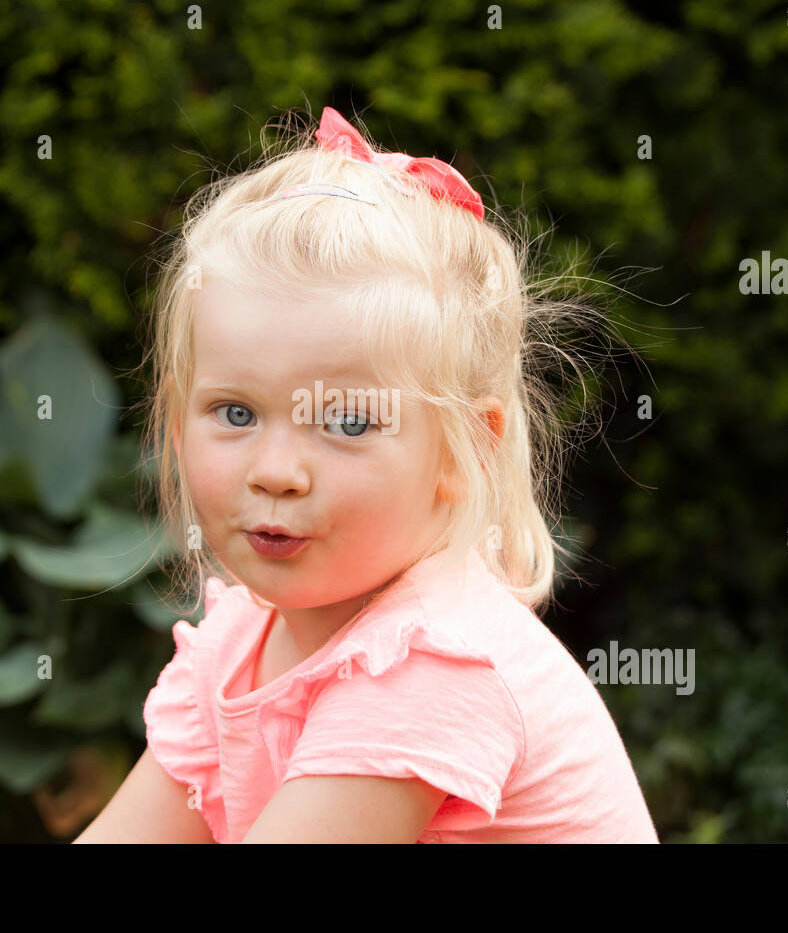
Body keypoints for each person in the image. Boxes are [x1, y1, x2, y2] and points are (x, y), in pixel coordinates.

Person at [75, 106, 658, 843]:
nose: (277, 472)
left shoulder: (430, 666)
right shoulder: (238, 644)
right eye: (235, 412)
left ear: (463, 450)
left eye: (348, 422)